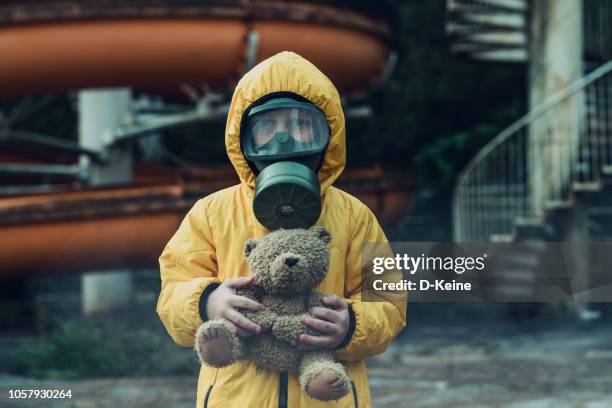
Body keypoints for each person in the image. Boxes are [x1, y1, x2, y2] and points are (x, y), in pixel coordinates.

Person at [157, 51, 407, 407]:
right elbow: (171, 296)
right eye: (266, 128)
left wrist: (350, 324)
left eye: (301, 126)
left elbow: (389, 302)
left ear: (330, 135)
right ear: (243, 139)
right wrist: (207, 302)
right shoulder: (212, 214)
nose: (283, 141)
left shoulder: (353, 217)